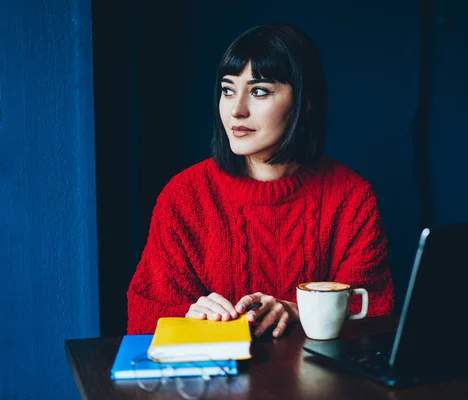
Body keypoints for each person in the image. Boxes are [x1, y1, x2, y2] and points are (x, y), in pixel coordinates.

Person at [127, 23, 395, 337]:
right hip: (212, 383)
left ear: (305, 102)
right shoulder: (184, 196)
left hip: (319, 383)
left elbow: (376, 312)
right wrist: (189, 316)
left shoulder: (352, 197)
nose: (236, 110)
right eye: (228, 90)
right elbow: (143, 318)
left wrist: (296, 310)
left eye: (259, 91)